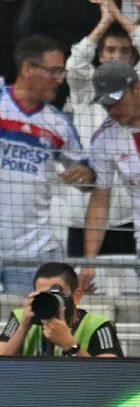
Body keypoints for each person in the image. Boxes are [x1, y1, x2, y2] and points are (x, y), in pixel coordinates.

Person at [0, 36, 92, 294]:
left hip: (33, 251)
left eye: (61, 72)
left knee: (32, 330)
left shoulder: (58, 123)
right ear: (27, 68)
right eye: (54, 71)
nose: (60, 79)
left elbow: (86, 177)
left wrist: (85, 174)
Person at [0, 261, 122, 357]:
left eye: (56, 295)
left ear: (76, 296)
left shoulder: (98, 325)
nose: (50, 300)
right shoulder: (20, 317)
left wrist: (70, 345)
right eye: (43, 295)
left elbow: (109, 375)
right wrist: (23, 327)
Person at [86, 60, 140, 282]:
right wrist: (89, 262)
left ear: (137, 88)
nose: (112, 110)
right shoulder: (104, 139)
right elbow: (99, 201)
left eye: (117, 101)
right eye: (106, 104)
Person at [66, 0, 140, 144]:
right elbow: (75, 64)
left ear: (132, 58)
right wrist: (105, 22)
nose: (117, 57)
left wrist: (118, 15)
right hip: (88, 163)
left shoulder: (137, 83)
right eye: (110, 50)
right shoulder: (87, 84)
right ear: (100, 55)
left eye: (125, 51)